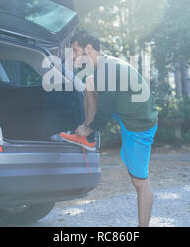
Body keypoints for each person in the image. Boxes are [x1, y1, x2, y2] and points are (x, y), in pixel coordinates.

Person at [60, 33, 158, 227]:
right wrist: (88, 128)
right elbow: (104, 104)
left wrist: (87, 128)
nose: (74, 57)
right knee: (89, 81)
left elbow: (103, 114)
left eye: (76, 51)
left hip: (138, 125)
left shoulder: (107, 70)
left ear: (89, 49)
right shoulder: (104, 66)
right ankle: (87, 139)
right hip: (125, 110)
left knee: (140, 182)